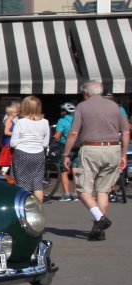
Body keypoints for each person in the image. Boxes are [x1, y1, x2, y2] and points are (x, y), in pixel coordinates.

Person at [61, 80, 130, 241]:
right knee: (103, 190)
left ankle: (100, 219)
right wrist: (123, 154)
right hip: (113, 148)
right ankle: (99, 229)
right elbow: (126, 131)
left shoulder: (82, 107)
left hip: (91, 148)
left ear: (86, 93)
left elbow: (73, 133)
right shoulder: (114, 106)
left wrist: (66, 154)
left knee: (82, 189)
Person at [9, 96, 51, 204]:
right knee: (37, 184)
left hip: (21, 153)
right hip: (38, 154)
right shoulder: (45, 122)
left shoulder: (21, 122)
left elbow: (13, 143)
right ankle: (38, 208)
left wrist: (23, 141)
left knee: (21, 183)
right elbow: (45, 143)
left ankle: (24, 207)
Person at [51, 103, 77, 201]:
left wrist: (52, 139)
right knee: (76, 170)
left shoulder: (62, 120)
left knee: (64, 170)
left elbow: (57, 135)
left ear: (64, 112)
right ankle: (76, 194)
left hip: (64, 147)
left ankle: (67, 194)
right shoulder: (78, 120)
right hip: (77, 147)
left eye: (62, 111)